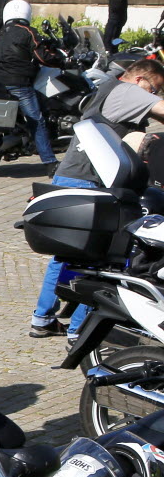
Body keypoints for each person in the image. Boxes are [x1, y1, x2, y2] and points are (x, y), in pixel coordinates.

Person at [30, 59, 164, 337]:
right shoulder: (128, 92)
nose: (154, 96)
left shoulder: (109, 90)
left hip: (73, 175)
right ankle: (79, 329)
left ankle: (43, 319)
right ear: (140, 80)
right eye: (155, 89)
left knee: (66, 257)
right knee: (106, 260)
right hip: (89, 180)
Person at [0, 0, 60, 172]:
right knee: (36, 121)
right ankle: (50, 162)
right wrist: (59, 60)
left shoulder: (2, 32)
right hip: (19, 83)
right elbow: (41, 56)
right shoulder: (28, 31)